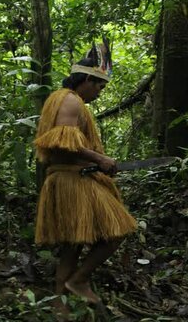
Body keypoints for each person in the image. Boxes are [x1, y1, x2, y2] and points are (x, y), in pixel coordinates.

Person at [33, 38, 137, 306]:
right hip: (71, 180)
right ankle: (79, 280)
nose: (100, 91)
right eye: (100, 85)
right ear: (86, 80)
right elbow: (62, 143)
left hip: (69, 178)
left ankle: (60, 308)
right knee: (117, 231)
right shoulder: (69, 101)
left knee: (73, 245)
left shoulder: (64, 100)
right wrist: (99, 159)